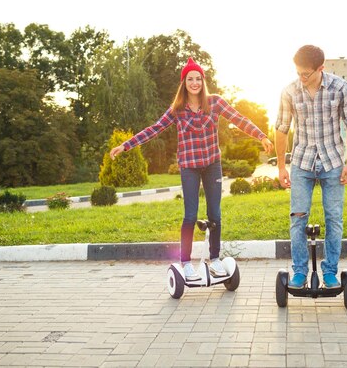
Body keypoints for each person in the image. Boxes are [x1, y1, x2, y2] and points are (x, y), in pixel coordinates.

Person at [110, 57, 273, 281]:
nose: (194, 82)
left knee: (215, 214)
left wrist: (261, 135)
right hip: (189, 167)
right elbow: (154, 129)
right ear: (184, 82)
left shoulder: (215, 102)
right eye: (190, 79)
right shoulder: (177, 109)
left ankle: (214, 259)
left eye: (198, 78)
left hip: (212, 165)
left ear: (202, 81)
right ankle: (185, 263)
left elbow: (239, 118)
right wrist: (126, 145)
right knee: (190, 215)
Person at [274, 45, 347, 289]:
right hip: (302, 163)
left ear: (321, 68)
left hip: (333, 162)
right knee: (297, 218)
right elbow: (281, 129)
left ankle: (330, 271)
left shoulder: (340, 88)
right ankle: (299, 272)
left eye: (306, 73)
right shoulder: (289, 91)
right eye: (298, 72)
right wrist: (281, 167)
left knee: (334, 219)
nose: (301, 77)